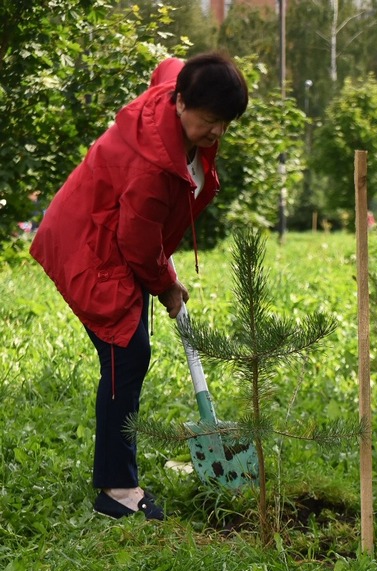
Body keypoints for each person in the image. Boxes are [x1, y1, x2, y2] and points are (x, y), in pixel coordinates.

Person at [30, 52, 249, 520]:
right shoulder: (151, 167)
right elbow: (136, 242)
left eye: (225, 124)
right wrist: (167, 285)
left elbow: (168, 63)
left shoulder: (176, 87)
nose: (217, 133)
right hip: (91, 246)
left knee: (130, 353)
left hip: (114, 230)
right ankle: (116, 491)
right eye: (209, 121)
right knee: (126, 355)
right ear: (181, 103)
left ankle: (116, 479)